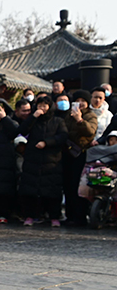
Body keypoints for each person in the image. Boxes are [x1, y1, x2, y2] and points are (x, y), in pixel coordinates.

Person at [16, 94, 67, 227]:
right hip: (33, 159)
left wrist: (47, 142)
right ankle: (30, 216)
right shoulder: (32, 120)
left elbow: (62, 136)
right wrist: (33, 117)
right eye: (39, 106)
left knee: (52, 191)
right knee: (30, 190)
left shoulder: (58, 121)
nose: (42, 108)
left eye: (45, 106)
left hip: (52, 161)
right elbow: (22, 130)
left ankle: (54, 216)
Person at [61, 91, 96, 226]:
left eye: (83, 100)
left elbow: (90, 132)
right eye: (77, 100)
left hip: (81, 154)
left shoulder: (90, 116)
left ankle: (80, 217)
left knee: (78, 186)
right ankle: (69, 216)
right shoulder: (68, 116)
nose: (80, 103)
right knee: (67, 185)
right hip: (67, 153)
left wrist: (80, 120)